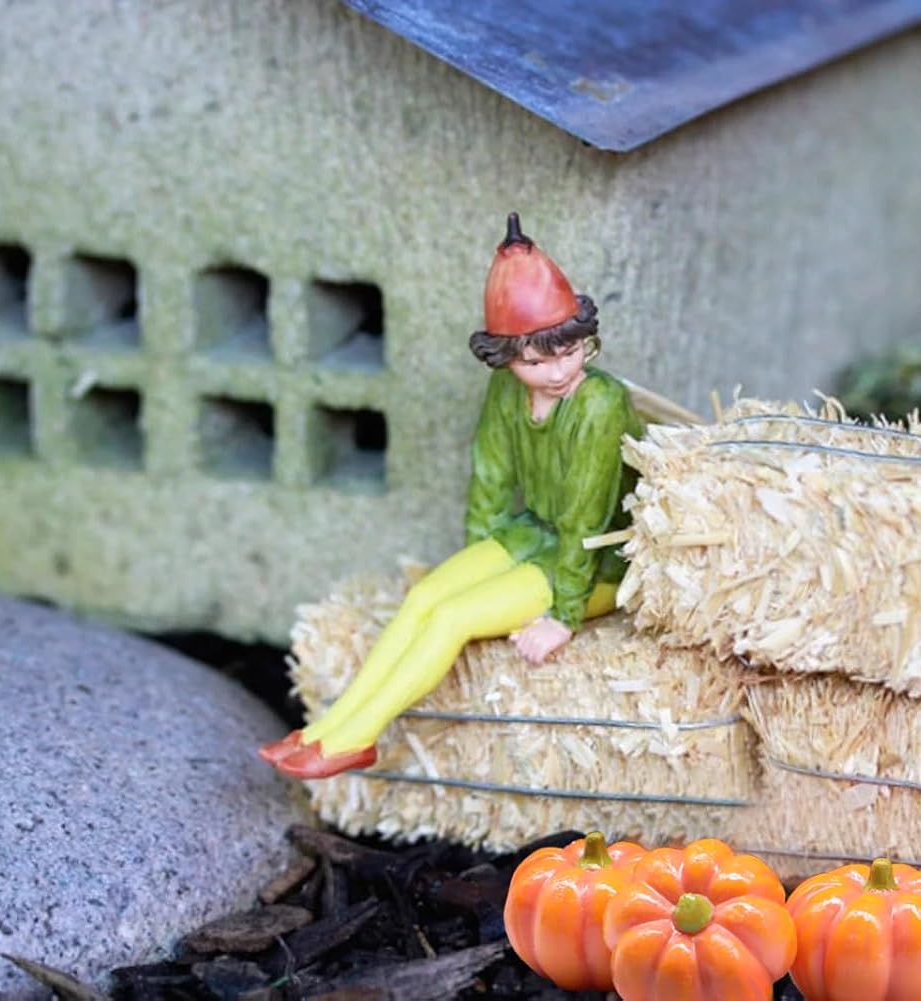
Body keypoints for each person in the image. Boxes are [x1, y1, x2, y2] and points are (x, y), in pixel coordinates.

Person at [260, 213, 645, 780]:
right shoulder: (506, 390)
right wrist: (479, 558)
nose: (558, 372)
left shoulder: (599, 402)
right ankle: (327, 727)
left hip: (597, 561)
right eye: (535, 362)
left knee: (453, 617)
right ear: (506, 358)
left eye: (570, 352)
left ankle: (355, 738)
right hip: (533, 533)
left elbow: (588, 515)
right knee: (425, 598)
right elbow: (490, 475)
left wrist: (563, 616)